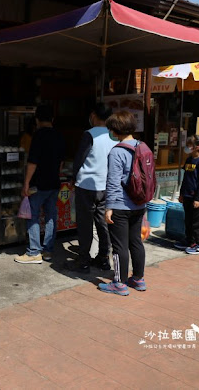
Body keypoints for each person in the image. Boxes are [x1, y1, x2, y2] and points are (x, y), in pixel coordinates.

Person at [98, 111, 146, 296]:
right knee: (136, 242)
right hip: (139, 204)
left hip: (120, 205)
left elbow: (113, 181)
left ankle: (119, 283)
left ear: (116, 129)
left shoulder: (117, 151)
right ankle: (139, 279)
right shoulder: (142, 146)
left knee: (119, 246)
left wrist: (108, 207)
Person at [65, 102, 116, 273]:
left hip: (87, 185)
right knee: (103, 224)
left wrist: (73, 177)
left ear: (93, 115)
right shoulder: (114, 136)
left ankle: (84, 261)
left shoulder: (89, 134)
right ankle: (103, 258)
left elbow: (79, 159)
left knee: (85, 224)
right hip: (105, 186)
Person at [16, 104, 65, 264]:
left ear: (37, 119)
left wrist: (26, 183)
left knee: (34, 216)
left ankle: (33, 252)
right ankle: (48, 251)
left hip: (39, 184)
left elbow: (32, 162)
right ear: (52, 119)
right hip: (54, 182)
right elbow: (61, 162)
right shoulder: (59, 135)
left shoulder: (38, 135)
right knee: (51, 216)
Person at [174, 135, 199, 255]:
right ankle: (190, 241)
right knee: (189, 220)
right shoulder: (189, 159)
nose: (187, 147)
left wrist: (198, 198)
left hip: (198, 198)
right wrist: (181, 193)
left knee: (198, 223)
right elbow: (186, 178)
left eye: (189, 145)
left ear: (197, 147)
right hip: (187, 196)